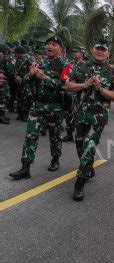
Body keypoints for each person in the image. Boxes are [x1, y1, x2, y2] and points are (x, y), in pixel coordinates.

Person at [65, 38, 114, 201]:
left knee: (89, 146)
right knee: (80, 146)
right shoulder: (81, 66)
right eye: (98, 48)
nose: (100, 51)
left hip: (98, 117)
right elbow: (68, 86)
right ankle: (88, 166)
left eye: (104, 49)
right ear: (91, 49)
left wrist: (99, 88)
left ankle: (79, 184)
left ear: (108, 52)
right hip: (80, 113)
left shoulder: (113, 71)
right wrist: (85, 85)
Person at [9, 36, 69, 180]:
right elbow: (25, 81)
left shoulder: (66, 66)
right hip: (38, 104)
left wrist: (45, 78)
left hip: (55, 106)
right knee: (31, 134)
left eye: (54, 44)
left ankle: (55, 159)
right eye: (48, 44)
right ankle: (25, 167)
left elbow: (67, 86)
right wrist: (30, 74)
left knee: (55, 136)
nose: (49, 46)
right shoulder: (40, 62)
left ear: (60, 49)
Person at [62, 46, 86, 142]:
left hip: (80, 94)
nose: (74, 53)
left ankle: (81, 136)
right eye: (73, 52)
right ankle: (69, 134)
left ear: (82, 53)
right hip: (69, 93)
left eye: (76, 52)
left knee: (79, 115)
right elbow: (65, 76)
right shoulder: (71, 64)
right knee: (69, 114)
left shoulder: (85, 65)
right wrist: (66, 80)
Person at [14, 45, 34, 122]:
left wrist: (20, 77)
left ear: (19, 53)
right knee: (22, 98)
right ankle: (21, 115)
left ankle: (24, 115)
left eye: (16, 53)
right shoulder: (26, 58)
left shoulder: (26, 59)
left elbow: (31, 71)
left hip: (26, 82)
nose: (15, 55)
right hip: (24, 82)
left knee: (25, 99)